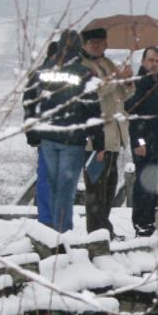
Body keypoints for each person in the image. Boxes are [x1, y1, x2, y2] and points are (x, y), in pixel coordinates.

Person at [29, 30, 104, 233]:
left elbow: (30, 102)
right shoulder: (84, 74)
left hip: (48, 136)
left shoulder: (42, 72)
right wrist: (99, 142)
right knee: (66, 189)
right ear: (79, 48)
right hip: (73, 139)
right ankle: (62, 234)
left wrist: (33, 133)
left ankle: (50, 231)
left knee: (52, 185)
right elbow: (92, 110)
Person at [79, 27, 134, 238]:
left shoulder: (107, 63)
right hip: (96, 136)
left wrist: (127, 80)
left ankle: (105, 229)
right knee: (95, 188)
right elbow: (95, 92)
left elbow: (123, 95)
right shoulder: (83, 66)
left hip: (115, 133)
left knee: (109, 188)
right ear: (84, 45)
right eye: (92, 42)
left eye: (100, 42)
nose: (96, 46)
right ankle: (96, 233)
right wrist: (113, 78)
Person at [124, 46, 158, 237]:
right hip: (145, 143)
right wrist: (139, 142)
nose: (154, 64)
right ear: (143, 61)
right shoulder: (136, 84)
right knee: (144, 185)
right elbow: (133, 116)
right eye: (151, 60)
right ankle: (143, 226)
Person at [22, 40, 58, 226]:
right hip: (55, 135)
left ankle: (48, 218)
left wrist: (32, 133)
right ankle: (50, 219)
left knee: (47, 179)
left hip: (46, 134)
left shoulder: (37, 75)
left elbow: (28, 106)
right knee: (52, 179)